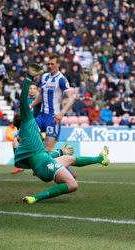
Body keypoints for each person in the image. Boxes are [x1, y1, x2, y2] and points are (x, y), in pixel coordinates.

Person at [15, 64, 109, 204]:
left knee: (69, 158)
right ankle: (35, 198)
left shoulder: (27, 130)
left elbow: (40, 155)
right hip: (45, 166)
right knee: (72, 185)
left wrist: (59, 152)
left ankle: (100, 158)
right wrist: (29, 78)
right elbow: (23, 100)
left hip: (43, 165)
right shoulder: (28, 123)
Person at [30, 54, 75, 152]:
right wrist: (31, 105)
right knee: (27, 135)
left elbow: (71, 99)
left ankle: (65, 164)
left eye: (52, 64)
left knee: (48, 148)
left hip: (53, 118)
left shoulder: (61, 79)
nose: (50, 66)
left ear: (58, 64)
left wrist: (62, 113)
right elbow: (41, 95)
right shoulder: (44, 77)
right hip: (41, 116)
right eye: (48, 64)